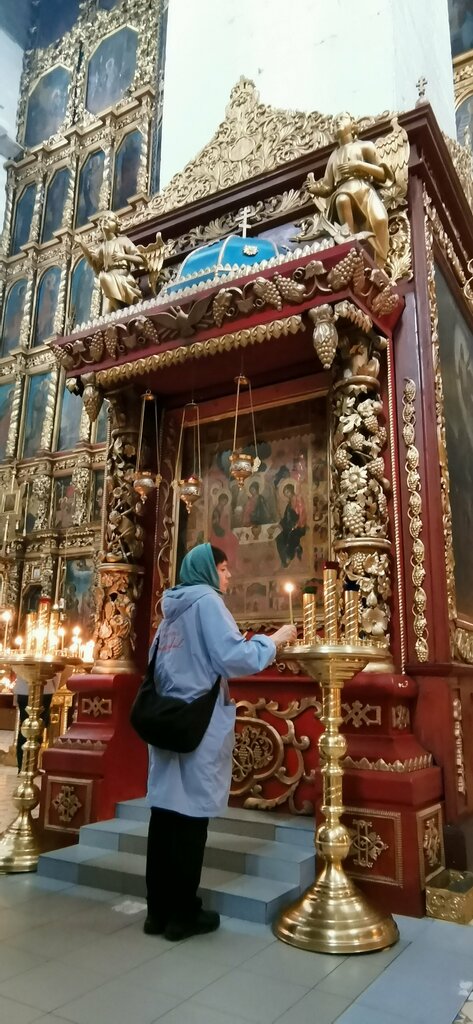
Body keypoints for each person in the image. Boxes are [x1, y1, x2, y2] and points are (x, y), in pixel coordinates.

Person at [145, 542, 296, 941]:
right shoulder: (207, 603)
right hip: (196, 724)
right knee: (191, 819)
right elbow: (234, 657)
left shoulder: (170, 611)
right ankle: (182, 916)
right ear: (208, 571)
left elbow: (155, 664)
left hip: (167, 722)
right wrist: (274, 639)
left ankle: (157, 913)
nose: (229, 576)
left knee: (164, 817)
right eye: (224, 569)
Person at [14, 672, 59, 772]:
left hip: (23, 690)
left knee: (26, 728)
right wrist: (54, 688)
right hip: (44, 690)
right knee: (37, 729)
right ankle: (30, 767)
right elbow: (56, 672)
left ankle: (24, 766)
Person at [276, 482, 307, 567]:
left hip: (299, 527)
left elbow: (302, 513)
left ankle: (289, 557)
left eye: (287, 492)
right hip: (289, 528)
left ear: (291, 491)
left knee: (291, 537)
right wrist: (280, 524)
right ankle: (283, 560)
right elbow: (286, 518)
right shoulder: (289, 504)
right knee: (279, 538)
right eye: (285, 494)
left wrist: (298, 524)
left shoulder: (298, 499)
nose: (286, 495)